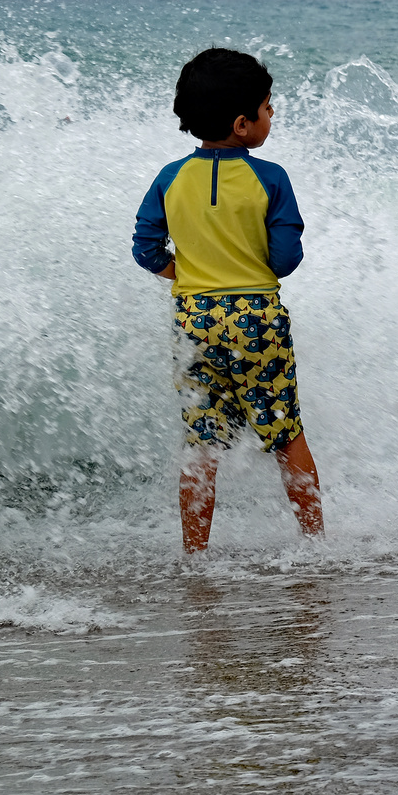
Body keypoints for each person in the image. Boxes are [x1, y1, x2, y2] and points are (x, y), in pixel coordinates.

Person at [132, 48, 324, 550]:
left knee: (201, 443)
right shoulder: (271, 178)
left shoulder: (170, 177)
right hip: (256, 317)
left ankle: (195, 556)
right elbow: (284, 261)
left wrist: (187, 274)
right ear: (243, 124)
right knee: (285, 434)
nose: (272, 114)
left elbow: (145, 248)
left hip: (194, 319)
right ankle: (315, 545)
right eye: (267, 107)